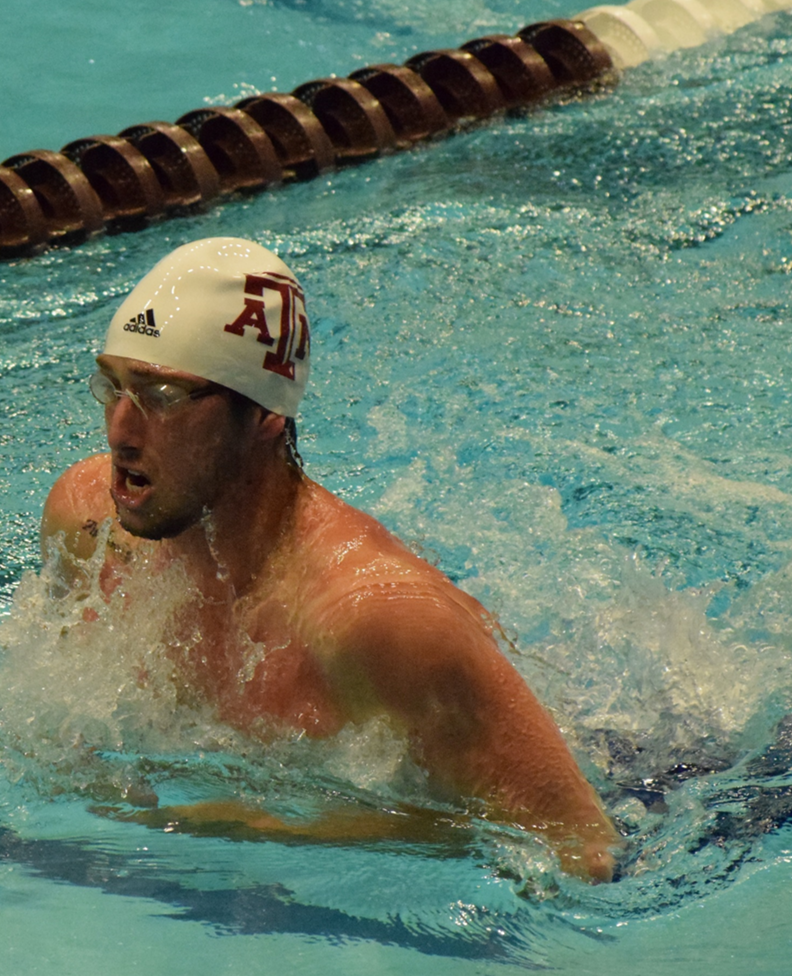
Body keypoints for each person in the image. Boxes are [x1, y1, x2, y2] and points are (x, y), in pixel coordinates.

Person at [40, 237, 619, 882]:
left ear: (265, 416)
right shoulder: (88, 522)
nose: (120, 431)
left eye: (164, 397)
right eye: (114, 386)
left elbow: (583, 852)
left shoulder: (375, 622)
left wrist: (257, 825)